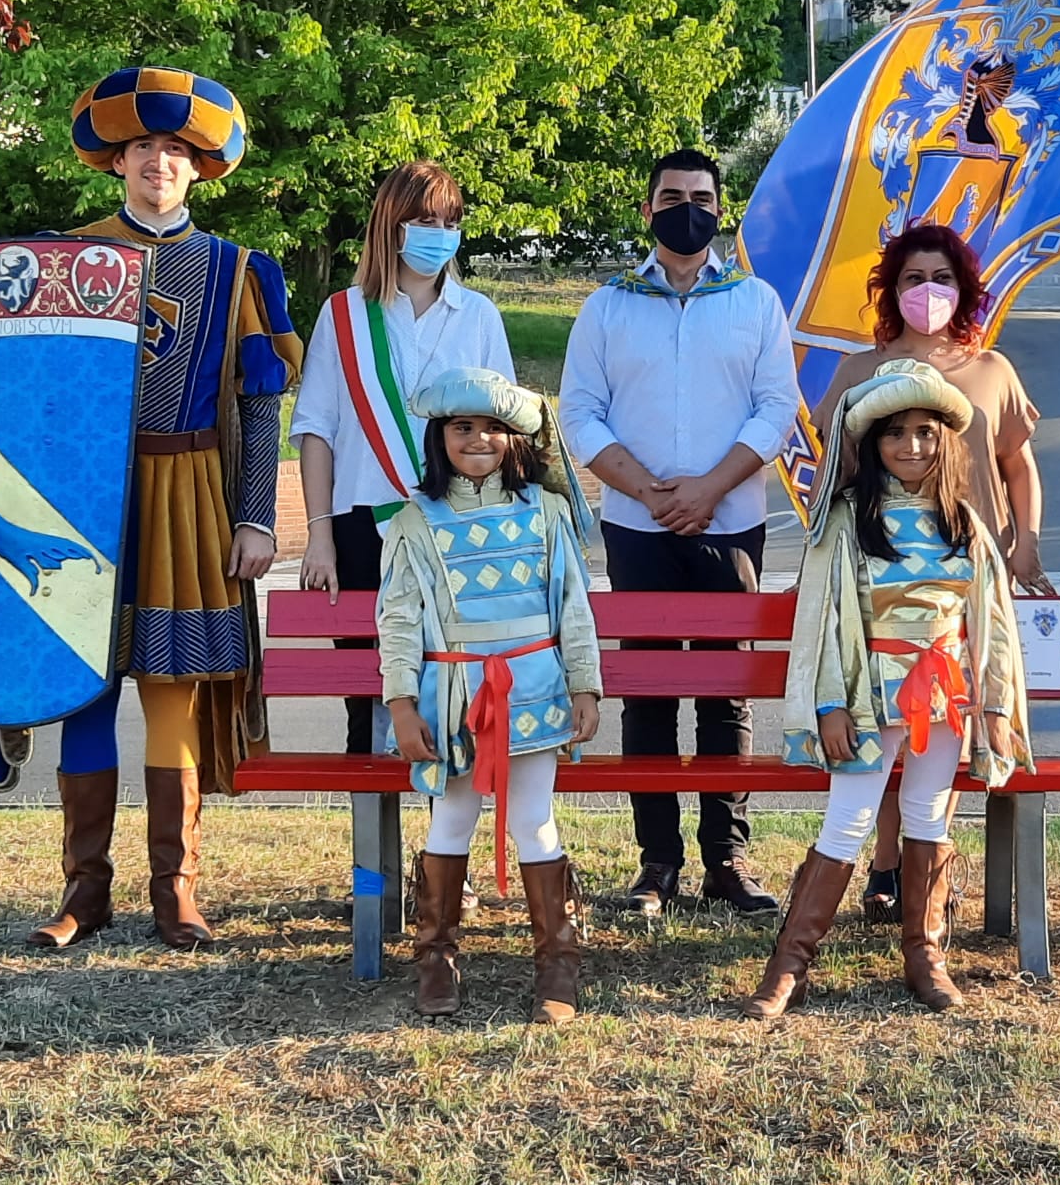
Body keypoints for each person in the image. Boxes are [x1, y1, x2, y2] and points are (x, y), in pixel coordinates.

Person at [31, 66, 303, 951]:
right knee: (85, 687)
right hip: (84, 501)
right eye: (144, 146)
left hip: (191, 494)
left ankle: (174, 887)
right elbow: (32, 403)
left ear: (198, 169)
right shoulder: (65, 262)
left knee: (173, 689)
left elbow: (261, 408)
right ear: (117, 162)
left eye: (177, 151)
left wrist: (257, 516)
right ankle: (85, 891)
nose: (159, 161)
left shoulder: (237, 271)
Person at [743, 359, 1033, 1018]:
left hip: (943, 702)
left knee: (928, 814)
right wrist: (829, 704)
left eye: (927, 432)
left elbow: (989, 624)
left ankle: (924, 956)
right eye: (894, 433)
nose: (912, 446)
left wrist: (991, 705)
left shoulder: (966, 523)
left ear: (947, 439)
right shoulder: (847, 521)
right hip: (867, 699)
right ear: (871, 445)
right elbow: (823, 621)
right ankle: (790, 965)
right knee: (847, 819)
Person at [559, 147, 800, 917]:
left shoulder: (756, 301)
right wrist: (651, 491)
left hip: (731, 525)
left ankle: (727, 859)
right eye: (671, 195)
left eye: (700, 196)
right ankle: (657, 862)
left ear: (718, 209)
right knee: (650, 691)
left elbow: (775, 407)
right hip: (636, 524)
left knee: (726, 691)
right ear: (647, 210)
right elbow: (579, 412)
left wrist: (709, 489)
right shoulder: (608, 305)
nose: (685, 207)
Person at [811, 221, 1047, 921]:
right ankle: (883, 868)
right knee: (881, 716)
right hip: (883, 576)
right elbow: (833, 468)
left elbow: (1018, 464)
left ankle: (922, 909)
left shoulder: (992, 371)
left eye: (942, 278)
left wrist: (1024, 540)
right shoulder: (860, 370)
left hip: (968, 577)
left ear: (965, 289)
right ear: (891, 289)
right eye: (913, 278)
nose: (928, 291)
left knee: (937, 725)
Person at [377, 367, 602, 1023]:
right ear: (438, 436)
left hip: (535, 696)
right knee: (451, 819)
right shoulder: (416, 523)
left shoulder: (549, 512)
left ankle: (558, 964)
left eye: (493, 428)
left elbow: (573, 607)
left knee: (535, 820)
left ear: (518, 438)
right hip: (451, 701)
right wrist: (401, 702)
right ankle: (436, 958)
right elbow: (397, 619)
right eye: (461, 427)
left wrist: (584, 685)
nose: (477, 439)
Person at [290, 159, 515, 764]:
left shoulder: (480, 316)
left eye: (449, 220)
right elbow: (316, 430)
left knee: (453, 691)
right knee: (369, 699)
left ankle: (445, 849)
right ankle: (374, 858)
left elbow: (505, 430)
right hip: (363, 527)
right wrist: (319, 538)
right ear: (391, 226)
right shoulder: (343, 315)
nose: (438, 232)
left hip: (457, 524)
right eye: (423, 220)